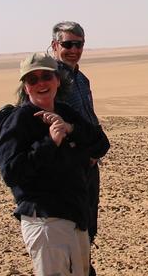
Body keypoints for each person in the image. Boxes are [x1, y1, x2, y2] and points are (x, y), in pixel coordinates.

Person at [0, 53, 110, 276]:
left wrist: (71, 129)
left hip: (75, 217)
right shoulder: (18, 121)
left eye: (46, 77)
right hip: (46, 221)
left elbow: (101, 145)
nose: (41, 84)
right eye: (33, 79)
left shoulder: (66, 113)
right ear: (26, 87)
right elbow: (11, 172)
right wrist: (50, 142)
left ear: (57, 80)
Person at [49, 22, 103, 250]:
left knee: (88, 224)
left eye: (78, 44)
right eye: (67, 44)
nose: (74, 50)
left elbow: (88, 117)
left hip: (90, 164)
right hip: (70, 165)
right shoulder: (50, 81)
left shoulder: (81, 79)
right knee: (72, 226)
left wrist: (96, 150)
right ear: (55, 45)